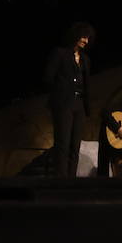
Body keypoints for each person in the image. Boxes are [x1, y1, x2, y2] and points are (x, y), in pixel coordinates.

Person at [43, 22, 94, 177]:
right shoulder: (60, 53)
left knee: (75, 146)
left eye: (88, 38)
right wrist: (63, 90)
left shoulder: (85, 59)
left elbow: (86, 83)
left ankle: (71, 180)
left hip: (79, 104)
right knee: (63, 144)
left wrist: (86, 106)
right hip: (63, 103)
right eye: (83, 37)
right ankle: (61, 180)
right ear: (75, 36)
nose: (86, 41)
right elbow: (47, 78)